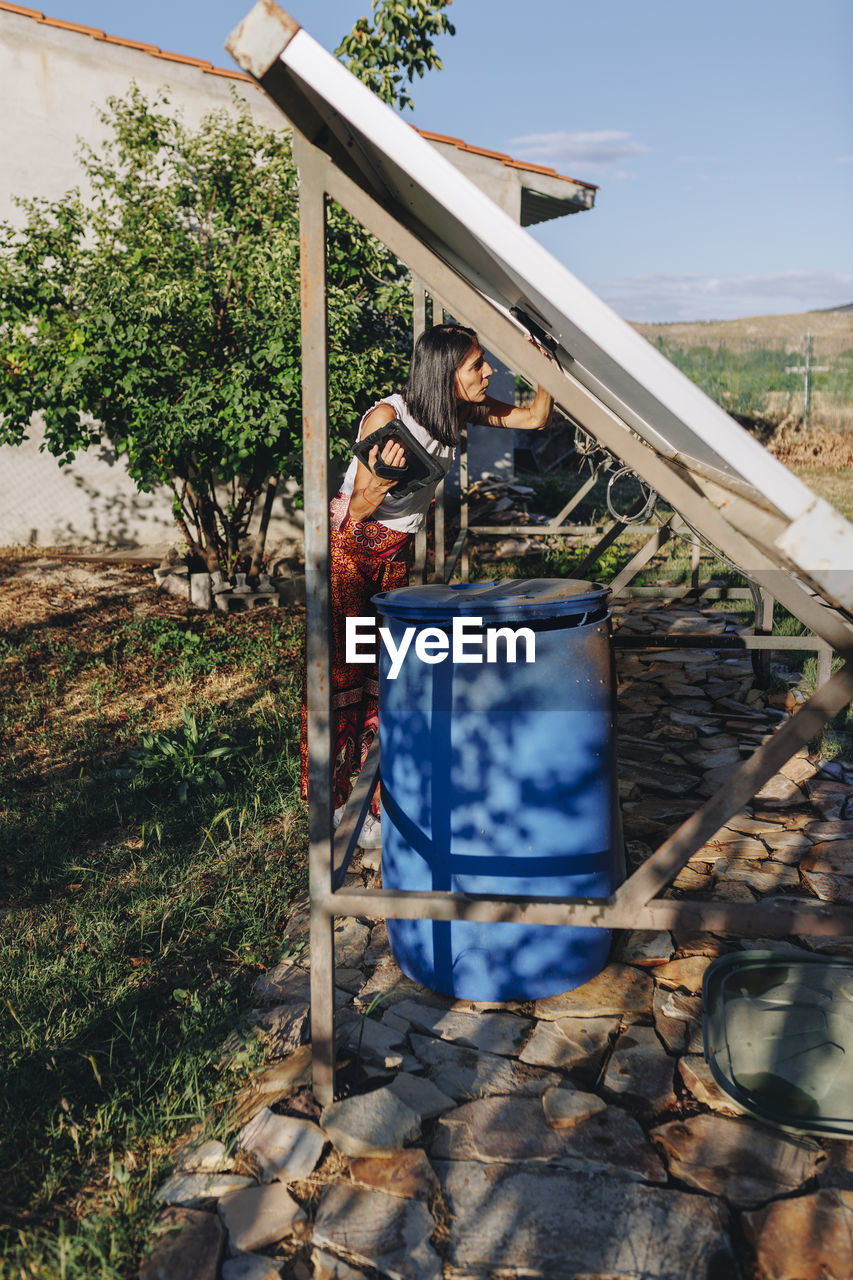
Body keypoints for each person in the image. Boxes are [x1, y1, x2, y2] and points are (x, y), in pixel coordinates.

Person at [299, 322, 554, 846]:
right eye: (476, 365)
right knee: (342, 677)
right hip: (348, 552)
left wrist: (545, 364)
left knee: (385, 678)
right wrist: (384, 480)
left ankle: (370, 805)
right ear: (445, 373)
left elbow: (533, 416)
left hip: (395, 553)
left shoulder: (456, 412)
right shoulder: (388, 416)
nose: (489, 372)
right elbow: (358, 510)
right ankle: (326, 805)